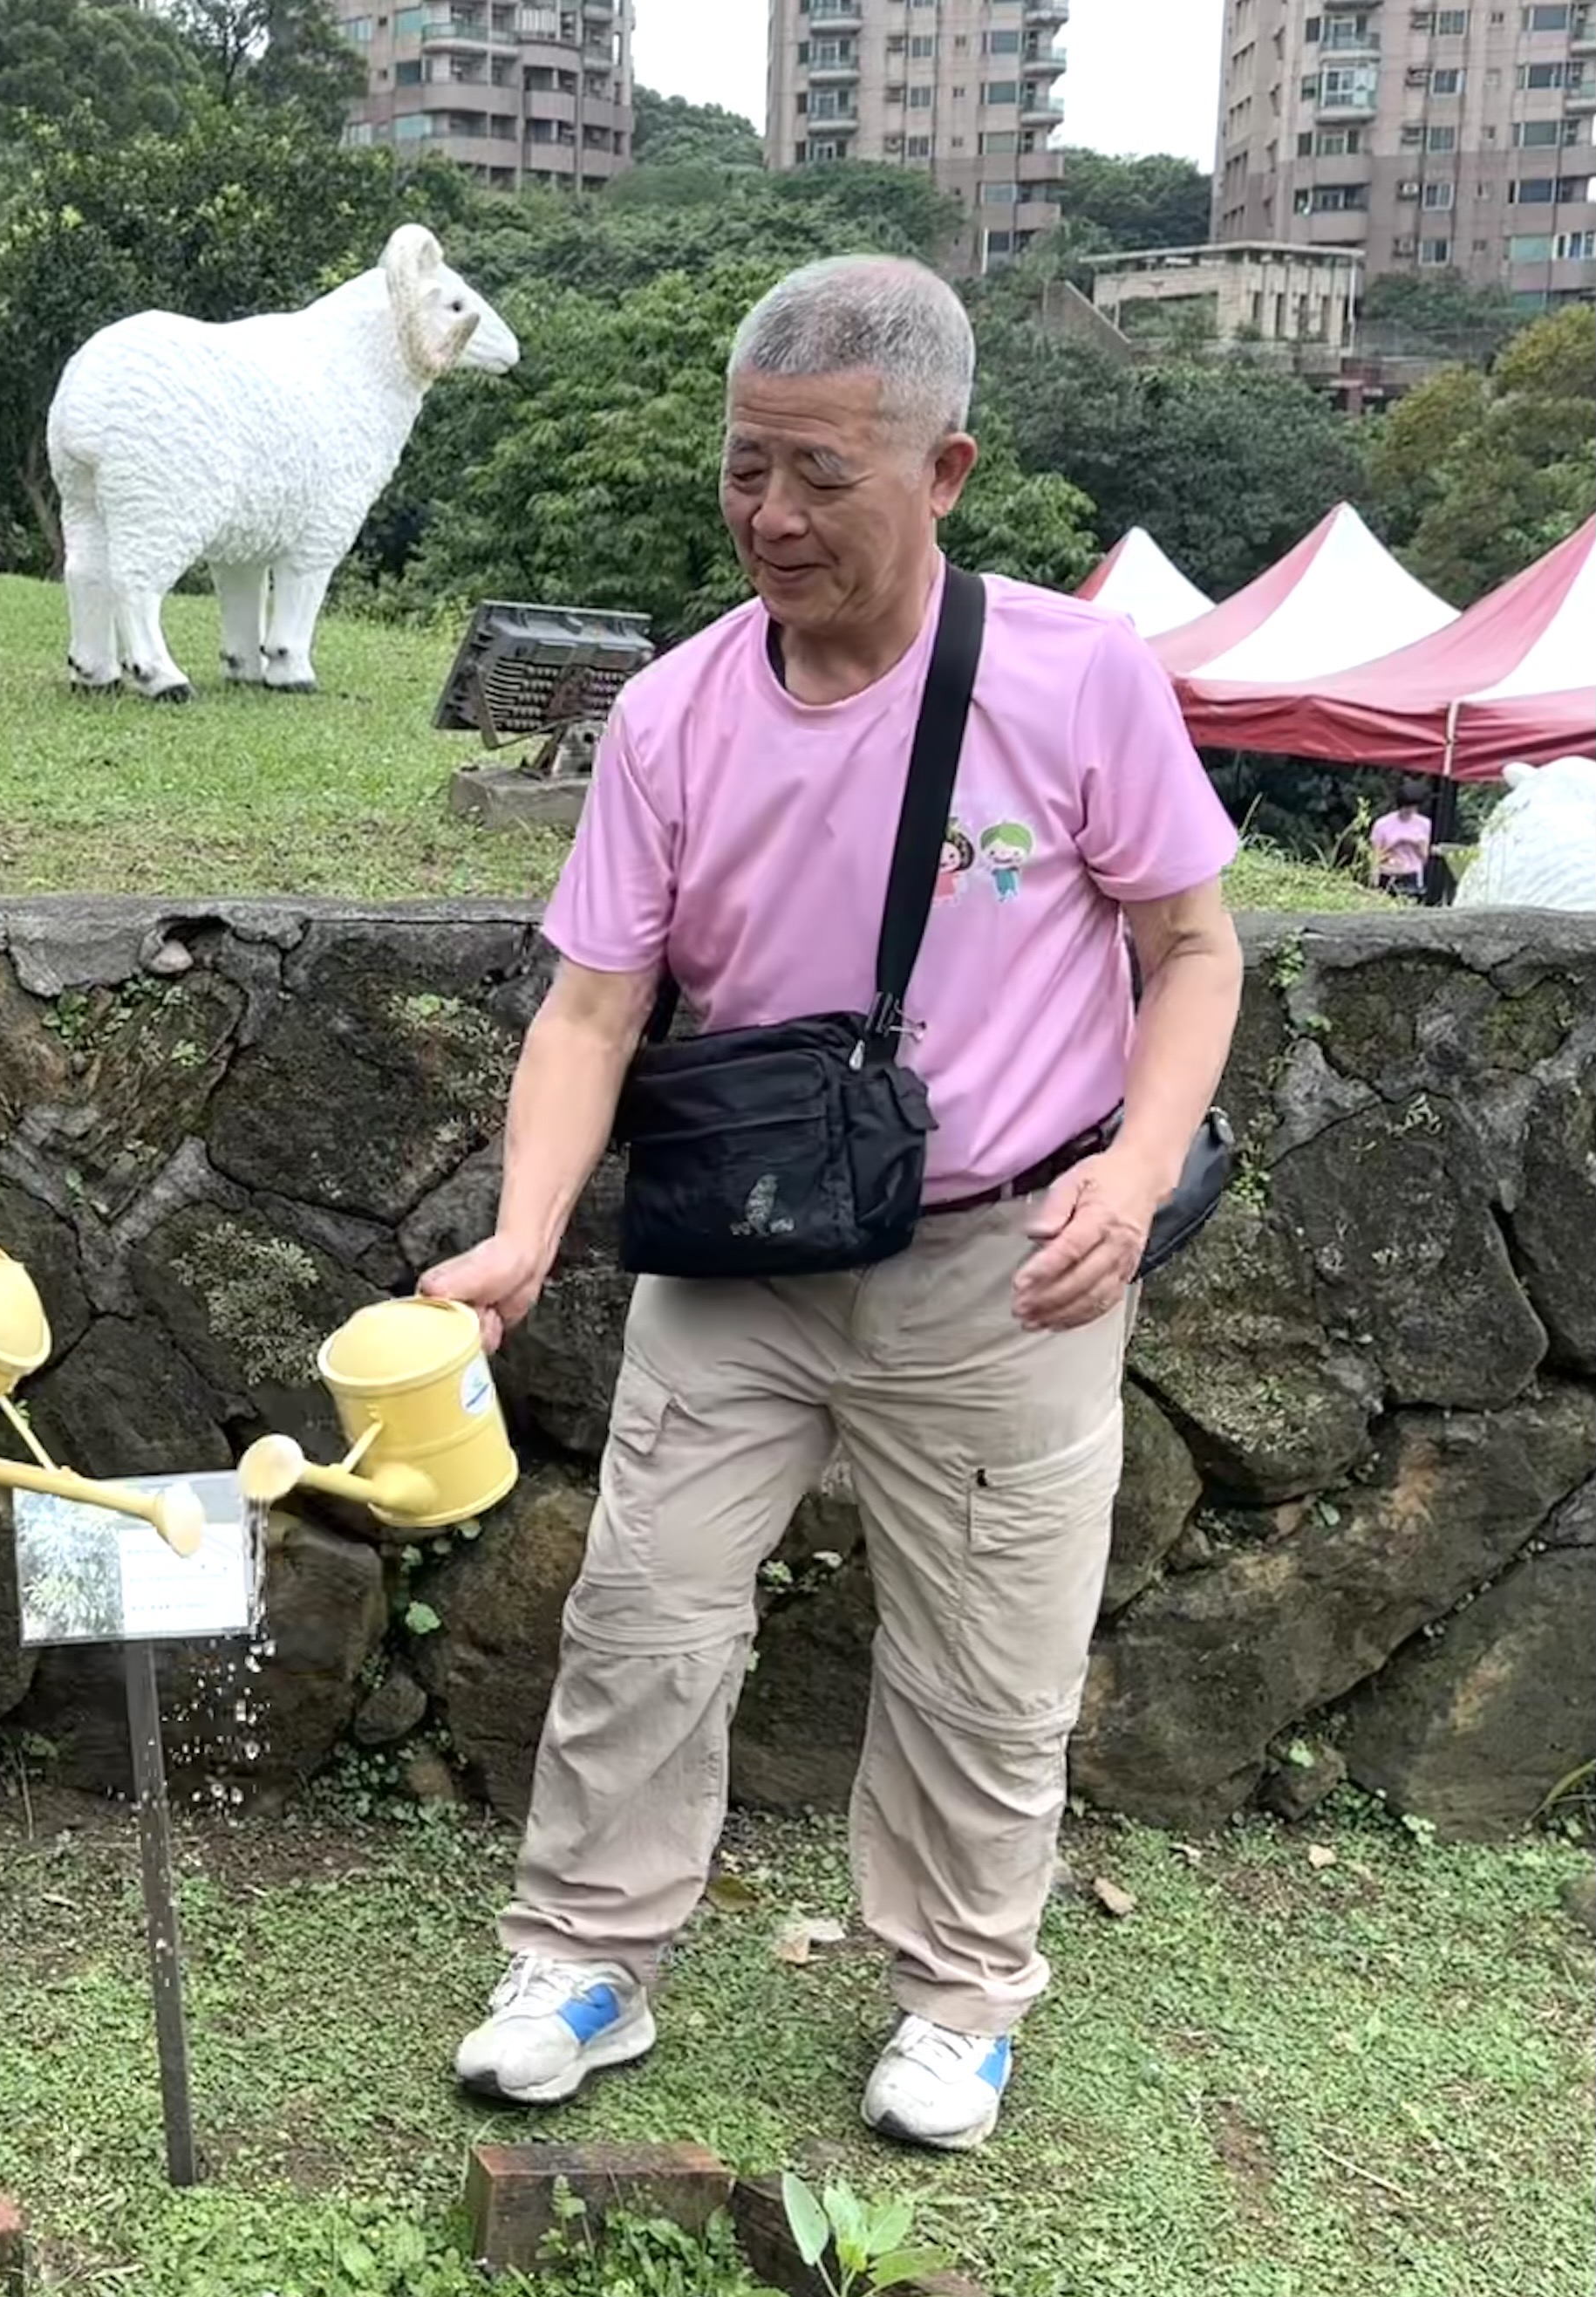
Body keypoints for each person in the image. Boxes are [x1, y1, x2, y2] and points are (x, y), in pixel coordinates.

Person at [424, 257, 1243, 2154]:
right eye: (741, 472)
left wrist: (1129, 1172)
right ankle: (581, 1955)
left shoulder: (1073, 677)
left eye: (819, 476)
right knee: (639, 1608)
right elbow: (591, 1003)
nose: (770, 518)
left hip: (1005, 1257)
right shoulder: (668, 714)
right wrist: (525, 1232)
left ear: (940, 471)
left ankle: (956, 1997)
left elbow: (1192, 945)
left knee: (984, 1660)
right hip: (742, 1249)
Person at [1370, 777, 1435, 900]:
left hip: (1411, 874)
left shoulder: (1424, 824)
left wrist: (1415, 844)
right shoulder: (1382, 824)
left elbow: (1424, 857)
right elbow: (1376, 856)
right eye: (1407, 807)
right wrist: (1395, 844)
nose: (1410, 811)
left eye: (1413, 807)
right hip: (1388, 872)